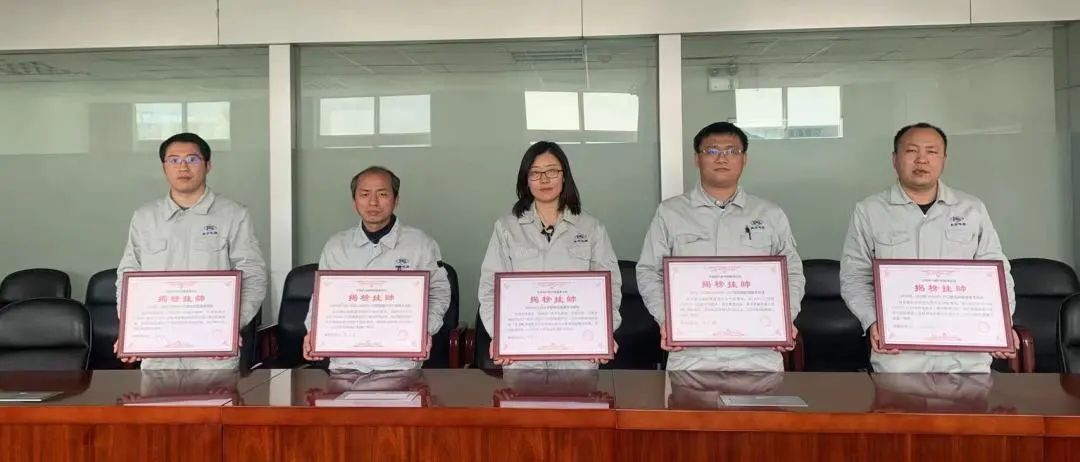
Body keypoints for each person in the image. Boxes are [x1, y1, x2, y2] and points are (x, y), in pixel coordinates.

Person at [839, 122, 1016, 373]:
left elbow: (996, 273)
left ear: (944, 160)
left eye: (931, 151)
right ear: (894, 159)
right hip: (899, 355)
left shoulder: (972, 209)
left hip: (966, 354)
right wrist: (873, 321)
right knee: (898, 400)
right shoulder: (869, 211)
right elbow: (855, 276)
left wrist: (1001, 322)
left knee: (971, 400)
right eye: (911, 151)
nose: (921, 159)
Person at [637, 122, 804, 371]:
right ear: (697, 158)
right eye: (712, 151)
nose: (722, 158)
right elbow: (650, 272)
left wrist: (784, 317)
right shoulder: (670, 213)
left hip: (758, 354)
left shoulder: (770, 214)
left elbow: (792, 273)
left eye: (732, 151)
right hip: (691, 354)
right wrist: (667, 319)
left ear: (744, 159)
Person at [116, 132, 267, 370]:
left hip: (212, 353)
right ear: (164, 167)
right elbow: (128, 275)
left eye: (192, 159)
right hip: (159, 352)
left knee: (215, 396)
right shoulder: (145, 217)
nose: (183, 167)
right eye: (174, 160)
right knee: (157, 397)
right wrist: (130, 328)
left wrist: (230, 325)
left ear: (208, 165)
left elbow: (253, 275)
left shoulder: (233, 215)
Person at [478, 141, 622, 369]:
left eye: (552, 171)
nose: (544, 180)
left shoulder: (592, 228)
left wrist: (604, 332)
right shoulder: (506, 228)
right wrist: (500, 335)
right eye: (535, 173)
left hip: (577, 357)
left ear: (564, 176)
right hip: (522, 356)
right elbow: (490, 290)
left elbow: (610, 288)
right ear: (525, 180)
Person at [302, 166, 451, 371]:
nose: (373, 202)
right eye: (364, 194)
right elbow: (321, 298)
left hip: (401, 361)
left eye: (382, 194)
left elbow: (439, 292)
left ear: (396, 200)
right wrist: (314, 331)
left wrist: (424, 329)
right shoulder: (336, 246)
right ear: (354, 201)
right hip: (346, 362)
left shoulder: (421, 244)